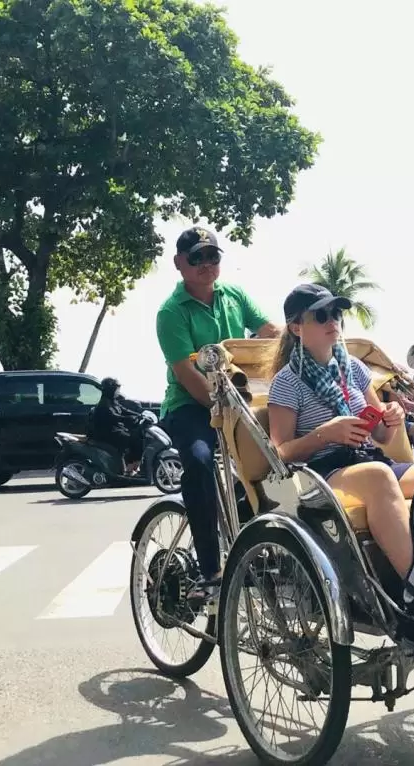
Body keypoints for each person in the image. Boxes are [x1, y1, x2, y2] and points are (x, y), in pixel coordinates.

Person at [266, 284, 414, 632]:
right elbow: (280, 450)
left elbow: (382, 436)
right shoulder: (287, 382)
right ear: (297, 327)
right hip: (322, 469)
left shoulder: (354, 370)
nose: (333, 321)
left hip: (367, 458)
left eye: (336, 313)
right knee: (378, 476)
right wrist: (326, 434)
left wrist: (390, 417)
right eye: (321, 315)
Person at [156, 226, 280, 602]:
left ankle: (267, 550)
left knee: (276, 458)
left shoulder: (234, 295)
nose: (207, 264)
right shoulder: (170, 313)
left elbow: (269, 332)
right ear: (180, 263)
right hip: (190, 407)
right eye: (197, 258)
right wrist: (221, 407)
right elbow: (187, 375)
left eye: (213, 257)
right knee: (199, 460)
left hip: (238, 401)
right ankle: (211, 569)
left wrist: (285, 343)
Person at [91, 377, 144, 475]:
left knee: (138, 437)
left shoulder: (113, 401)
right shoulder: (104, 404)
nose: (118, 391)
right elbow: (114, 417)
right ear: (110, 389)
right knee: (132, 439)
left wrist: (139, 415)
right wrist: (128, 419)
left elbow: (124, 410)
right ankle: (130, 468)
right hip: (106, 433)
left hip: (114, 430)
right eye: (116, 389)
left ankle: (133, 466)